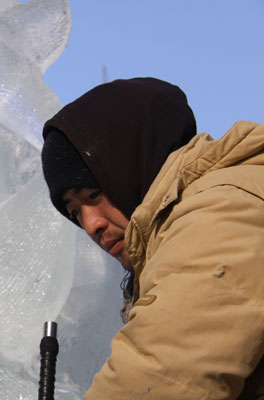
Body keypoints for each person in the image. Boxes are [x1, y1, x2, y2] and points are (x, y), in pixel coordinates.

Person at [41, 77, 264, 399]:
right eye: (74, 212)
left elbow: (163, 378)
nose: (91, 226)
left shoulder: (224, 211)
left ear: (136, 164)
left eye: (92, 193)